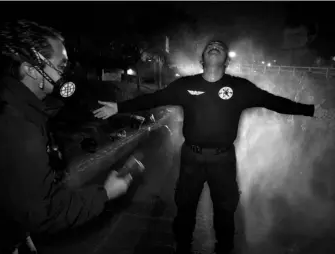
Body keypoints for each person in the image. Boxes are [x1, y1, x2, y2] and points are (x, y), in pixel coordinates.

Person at [93, 40, 334, 254]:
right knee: (185, 208)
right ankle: (183, 245)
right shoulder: (185, 85)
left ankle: (225, 247)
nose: (214, 47)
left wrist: (311, 110)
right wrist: (119, 107)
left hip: (223, 160)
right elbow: (153, 99)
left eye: (220, 47)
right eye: (209, 47)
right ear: (202, 59)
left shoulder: (241, 87)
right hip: (191, 158)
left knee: (225, 211)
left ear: (226, 61)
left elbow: (273, 102)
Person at [0, 20, 132, 254]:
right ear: (32, 69)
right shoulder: (20, 127)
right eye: (61, 65)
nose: (66, 73)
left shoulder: (12, 105)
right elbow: (45, 212)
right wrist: (105, 193)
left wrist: (20, 233)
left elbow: (10, 193)